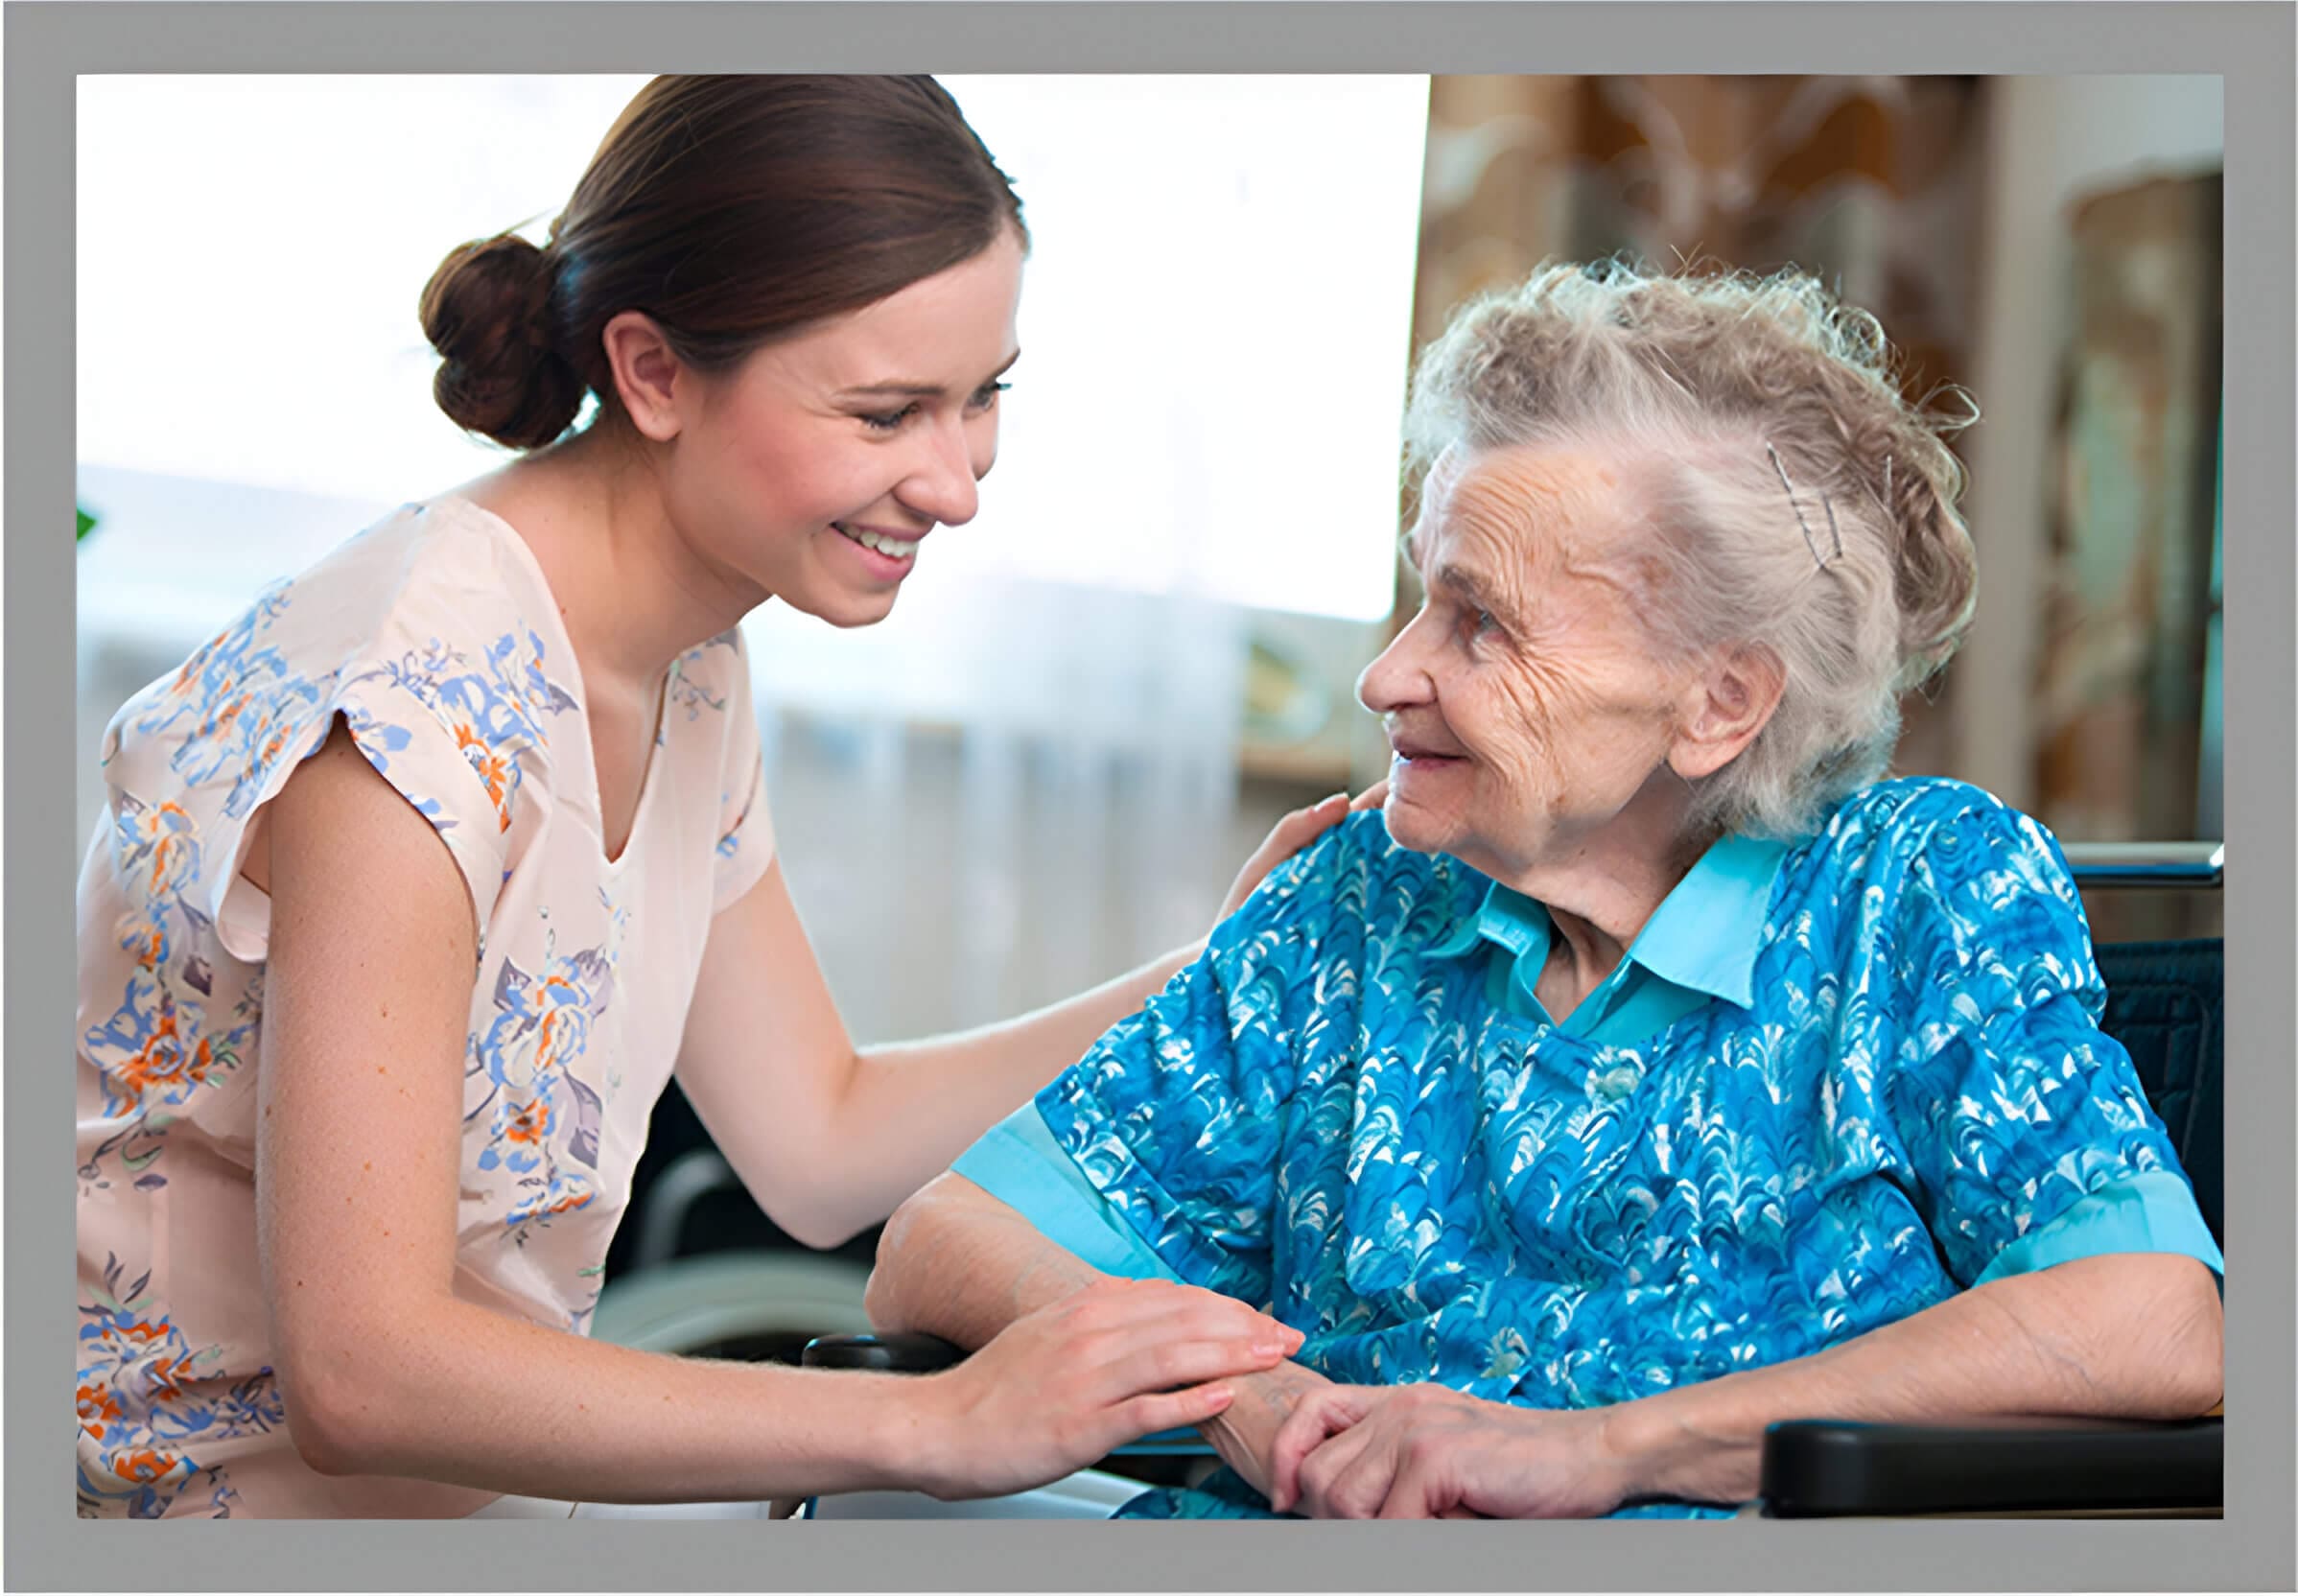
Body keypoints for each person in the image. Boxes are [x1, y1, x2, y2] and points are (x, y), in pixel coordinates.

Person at [74, 74, 1365, 1521]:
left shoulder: (681, 661)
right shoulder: (406, 716)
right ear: (656, 373)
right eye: (888, 412)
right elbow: (363, 1375)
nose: (957, 483)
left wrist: (1220, 972)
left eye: (983, 396)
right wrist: (939, 1422)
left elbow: (817, 1140)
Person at [863, 259, 2228, 1519]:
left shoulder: (1915, 895)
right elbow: (943, 1241)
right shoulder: (1363, 897)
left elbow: (2144, 1318)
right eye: (1419, 601)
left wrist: (1599, 1453)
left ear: (1719, 702)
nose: (1387, 676)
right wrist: (1248, 1399)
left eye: (1481, 621)